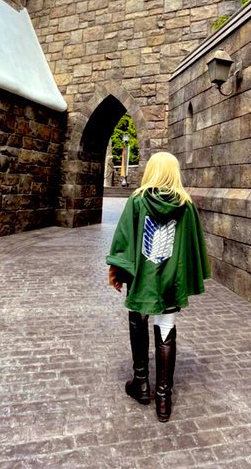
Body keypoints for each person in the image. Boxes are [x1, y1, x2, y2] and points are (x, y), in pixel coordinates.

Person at [106, 151, 210, 423]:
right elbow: (191, 247)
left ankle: (141, 383)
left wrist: (118, 270)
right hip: (170, 280)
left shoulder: (137, 200)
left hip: (143, 277)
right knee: (166, 329)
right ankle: (164, 398)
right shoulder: (186, 205)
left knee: (138, 320)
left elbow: (125, 239)